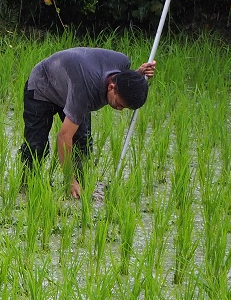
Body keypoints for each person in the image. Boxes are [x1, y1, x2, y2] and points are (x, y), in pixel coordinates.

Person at [20, 47, 156, 198]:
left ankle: (79, 188)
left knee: (83, 141)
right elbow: (64, 137)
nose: (119, 109)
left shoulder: (121, 63)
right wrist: (69, 179)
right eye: (119, 104)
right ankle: (28, 186)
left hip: (71, 85)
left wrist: (138, 75)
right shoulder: (85, 90)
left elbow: (125, 82)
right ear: (111, 87)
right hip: (42, 86)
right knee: (36, 145)